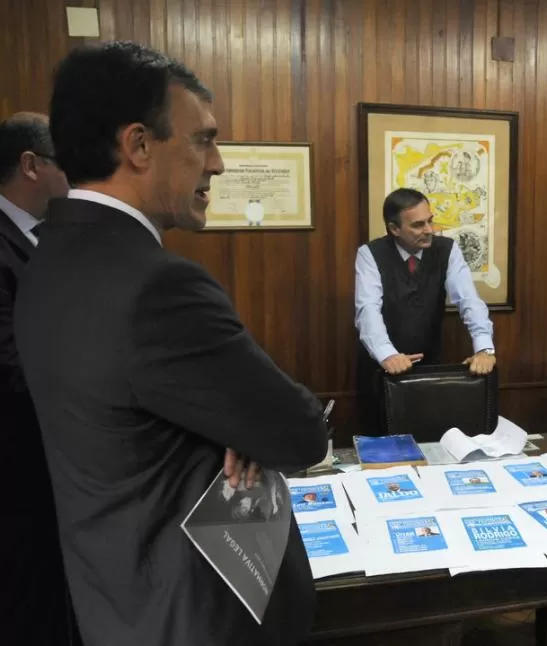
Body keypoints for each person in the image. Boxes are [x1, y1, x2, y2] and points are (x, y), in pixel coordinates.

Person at [14, 41, 328, 646]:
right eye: (203, 140)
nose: (217, 164)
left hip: (114, 599)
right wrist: (245, 427)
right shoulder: (159, 286)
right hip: (197, 610)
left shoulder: (47, 257)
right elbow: (299, 432)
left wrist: (238, 423)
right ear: (137, 145)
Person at [0, 113, 75, 645]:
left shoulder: (48, 236)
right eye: (65, 160)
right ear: (31, 164)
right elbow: (10, 365)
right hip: (19, 467)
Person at [354, 187, 496, 429]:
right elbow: (367, 309)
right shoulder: (370, 254)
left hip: (431, 369)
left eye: (430, 221)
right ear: (394, 229)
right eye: (418, 225)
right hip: (381, 370)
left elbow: (469, 300)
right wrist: (387, 354)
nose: (429, 230)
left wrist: (484, 348)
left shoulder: (447, 250)